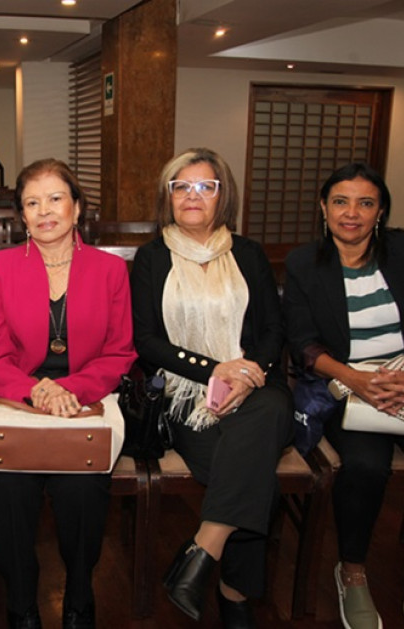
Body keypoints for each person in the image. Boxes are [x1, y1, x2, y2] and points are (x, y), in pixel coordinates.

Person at [282, 163, 404, 629]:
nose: (352, 213)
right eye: (341, 202)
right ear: (323, 208)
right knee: (364, 468)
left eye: (365, 203)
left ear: (380, 211)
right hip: (351, 384)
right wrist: (356, 380)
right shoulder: (304, 263)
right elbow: (303, 343)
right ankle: (352, 571)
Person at [131, 148, 292, 627]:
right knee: (249, 470)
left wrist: (249, 371)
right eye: (181, 186)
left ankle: (203, 549)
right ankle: (234, 594)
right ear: (168, 197)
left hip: (256, 387)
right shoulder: (151, 257)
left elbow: (273, 329)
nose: (192, 195)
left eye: (206, 186)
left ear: (224, 196)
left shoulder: (248, 253)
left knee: (265, 417)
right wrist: (217, 371)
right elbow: (146, 342)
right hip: (186, 394)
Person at [0, 158, 136, 629]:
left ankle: (79, 596)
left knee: (84, 488)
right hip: (19, 399)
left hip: (85, 398)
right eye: (32, 202)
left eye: (55, 198)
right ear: (21, 215)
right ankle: (22, 601)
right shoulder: (1, 267)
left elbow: (119, 352)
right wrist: (38, 392)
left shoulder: (110, 269)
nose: (44, 211)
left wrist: (68, 390)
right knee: (7, 489)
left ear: (77, 207)